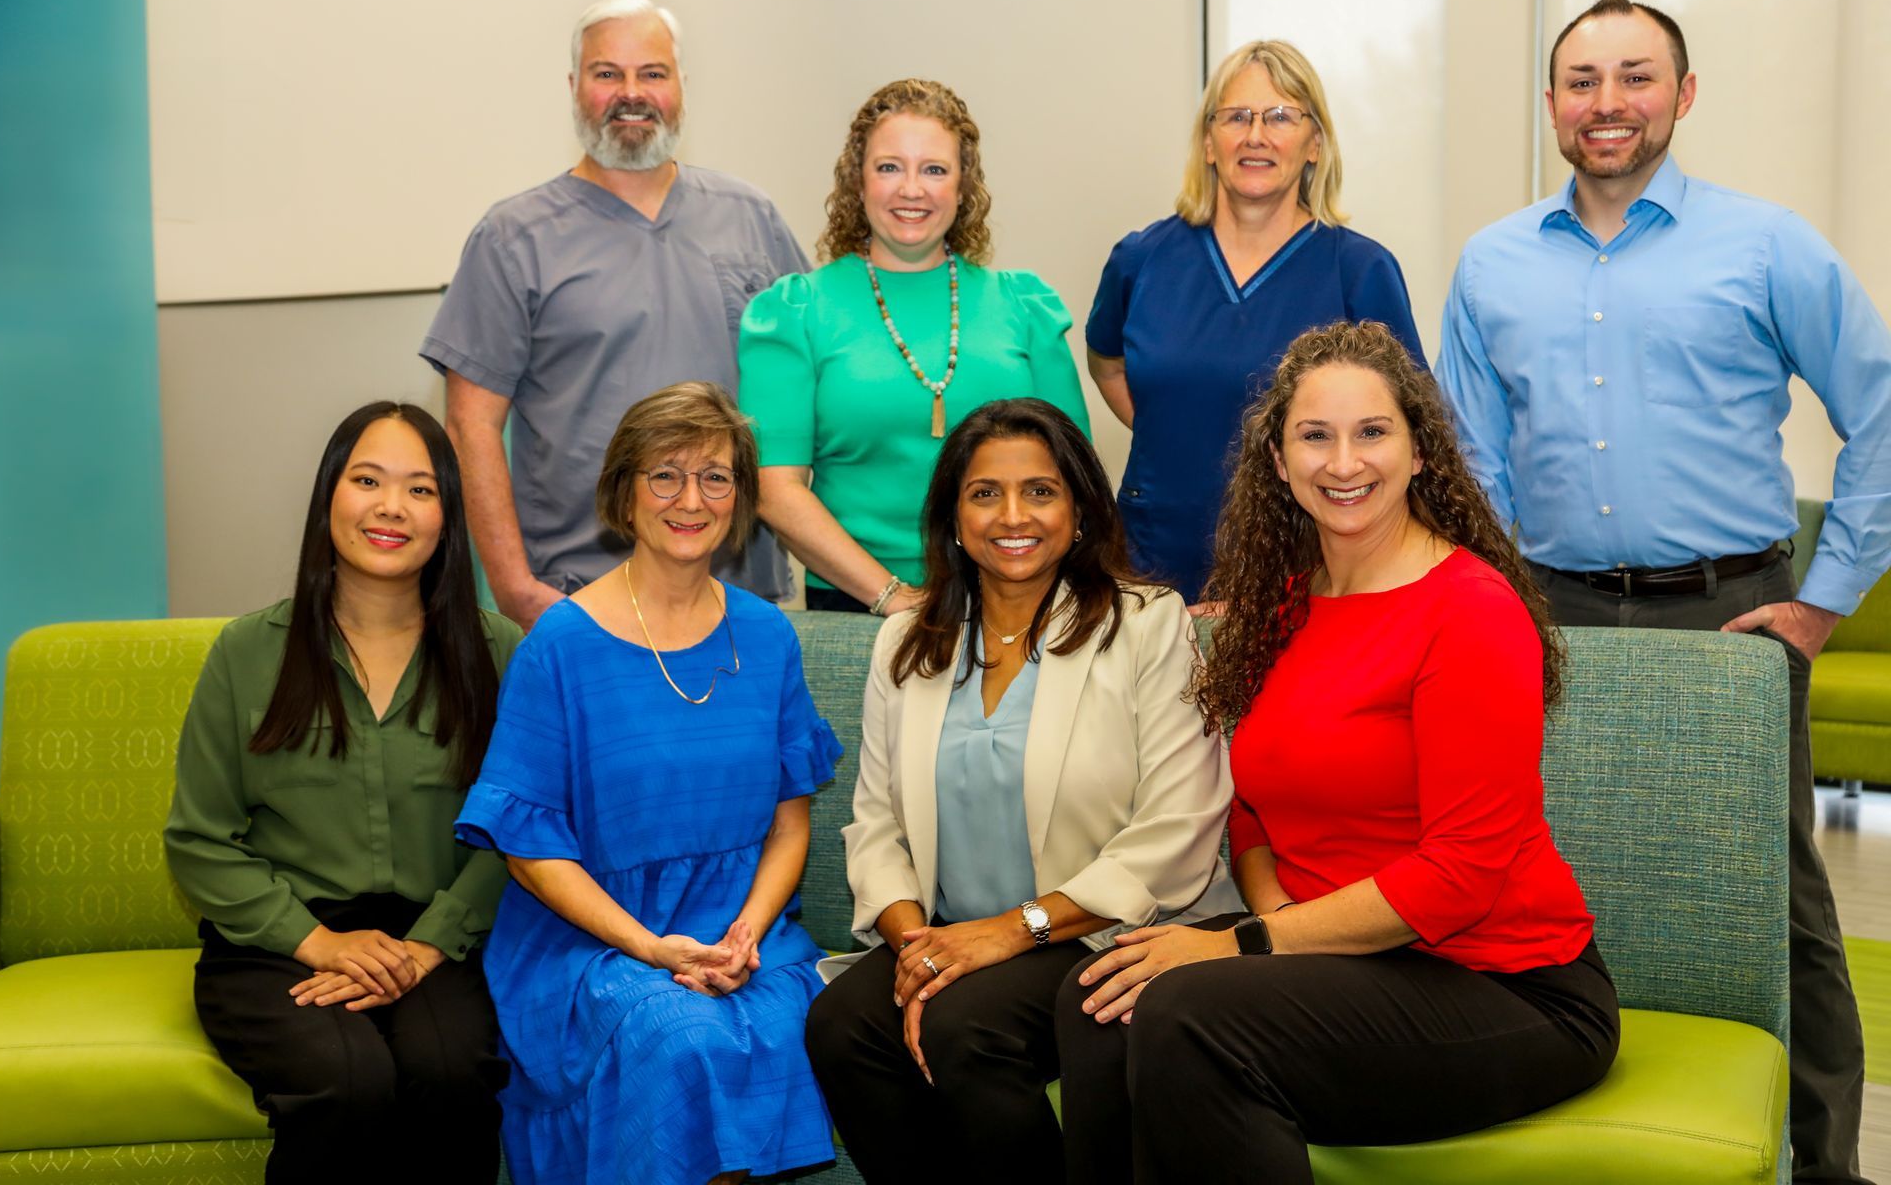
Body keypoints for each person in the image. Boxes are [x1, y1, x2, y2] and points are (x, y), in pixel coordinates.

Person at [1435, 0, 1889, 1184]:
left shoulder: (1767, 243)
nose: (1608, 103)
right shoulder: (1490, 262)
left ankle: (1824, 1161)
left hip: (1728, 618)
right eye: (1582, 81)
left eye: (1636, 77)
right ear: (1551, 105)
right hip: (1544, 615)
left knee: (1774, 899)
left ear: (1682, 96)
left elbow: (1881, 413)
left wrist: (1824, 599)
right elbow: (1466, 465)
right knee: (1546, 872)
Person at [1055, 323, 1621, 1184]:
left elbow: (1461, 874)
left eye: (1372, 432)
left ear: (1421, 450)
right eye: (1314, 436)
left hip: (1507, 984)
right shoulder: (1284, 601)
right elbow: (1249, 808)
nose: (1343, 462)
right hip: (1342, 960)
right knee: (1099, 1001)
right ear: (1278, 461)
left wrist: (1250, 944)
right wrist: (1273, 921)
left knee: (1185, 1015)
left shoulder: (1470, 610)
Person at [805, 398, 1237, 1184]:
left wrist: (1011, 930)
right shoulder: (907, 641)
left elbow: (1181, 825)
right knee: (840, 1024)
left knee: (966, 1028)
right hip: (949, 935)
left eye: (1040, 491)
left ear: (1079, 511)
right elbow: (874, 825)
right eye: (985, 493)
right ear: (953, 516)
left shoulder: (1146, 625)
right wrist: (914, 950)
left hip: (1099, 930)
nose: (1014, 515)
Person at [455, 381, 839, 1185]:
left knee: (788, 1021)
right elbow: (528, 852)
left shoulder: (768, 636)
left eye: (715, 477)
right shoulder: (559, 645)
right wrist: (649, 947)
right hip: (591, 945)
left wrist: (743, 936)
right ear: (623, 494)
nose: (690, 499)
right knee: (681, 1034)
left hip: (743, 935)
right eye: (665, 475)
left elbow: (789, 825)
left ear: (738, 500)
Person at [165, 402, 520, 1184]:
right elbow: (199, 839)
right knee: (347, 1080)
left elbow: (522, 826)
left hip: (436, 943)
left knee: (453, 1071)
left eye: (421, 489)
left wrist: (431, 943)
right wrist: (321, 944)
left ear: (447, 515)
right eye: (368, 480)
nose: (391, 507)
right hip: (279, 946)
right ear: (330, 496)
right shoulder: (247, 652)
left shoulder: (497, 652)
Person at [420, 0, 806, 629]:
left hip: (739, 591)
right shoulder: (514, 237)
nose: (632, 93)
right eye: (608, 74)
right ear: (575, 87)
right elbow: (470, 427)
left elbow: (810, 396)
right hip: (581, 596)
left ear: (680, 85)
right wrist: (515, 588)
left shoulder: (751, 218)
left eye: (652, 73)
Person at [1083, 40, 1424, 605]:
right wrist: (1170, 431)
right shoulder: (1141, 259)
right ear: (1208, 143)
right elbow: (1107, 363)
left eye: (1281, 116)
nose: (1256, 135)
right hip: (1152, 557)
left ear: (1315, 143)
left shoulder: (1358, 270)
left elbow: (1406, 426)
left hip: (1304, 563)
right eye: (1236, 116)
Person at [740, 78, 1092, 616]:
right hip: (858, 607)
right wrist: (893, 597)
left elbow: (1075, 477)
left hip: (1024, 598)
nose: (912, 189)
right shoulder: (796, 312)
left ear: (962, 186)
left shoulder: (1024, 307)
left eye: (934, 169)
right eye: (889, 167)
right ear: (857, 182)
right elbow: (774, 487)